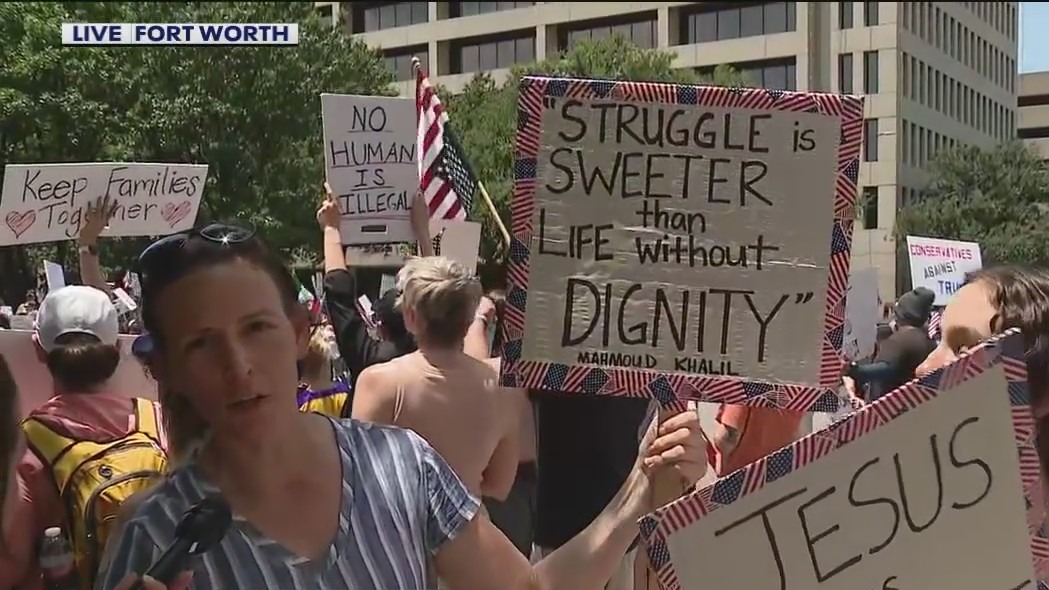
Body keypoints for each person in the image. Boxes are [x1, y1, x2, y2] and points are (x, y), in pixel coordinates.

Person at [98, 220, 709, 590]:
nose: (239, 366)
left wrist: (639, 494)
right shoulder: (154, 536)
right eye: (203, 344)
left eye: (256, 328)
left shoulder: (400, 465)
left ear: (296, 332)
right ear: (169, 368)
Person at [352, 256, 519, 501]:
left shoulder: (379, 383)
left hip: (402, 530)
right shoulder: (502, 389)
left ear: (410, 317)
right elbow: (499, 485)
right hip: (471, 530)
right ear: (468, 320)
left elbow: (362, 477)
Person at [317, 183, 430, 388]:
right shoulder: (439, 363)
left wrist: (331, 229)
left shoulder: (370, 362)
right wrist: (423, 231)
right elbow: (436, 293)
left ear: (380, 328)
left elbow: (339, 295)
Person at [846, 286, 937, 401]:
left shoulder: (903, 339)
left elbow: (885, 369)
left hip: (890, 411)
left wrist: (853, 371)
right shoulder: (928, 342)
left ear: (901, 315)